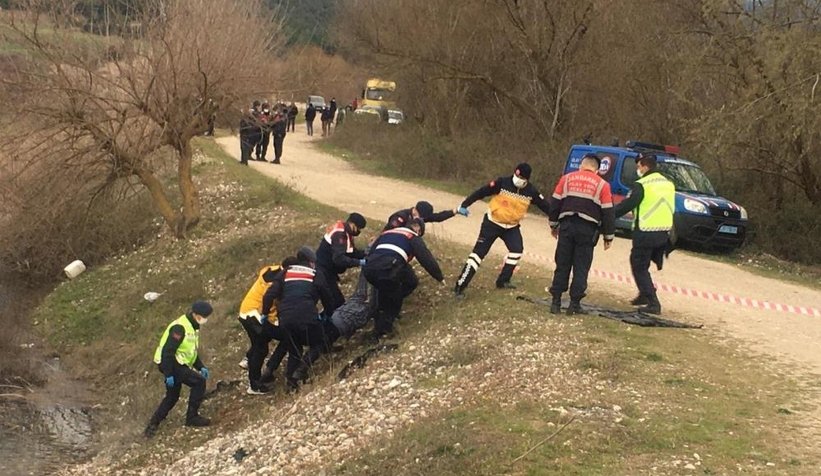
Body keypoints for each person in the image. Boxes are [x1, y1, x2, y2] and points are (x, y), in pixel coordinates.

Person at [453, 163, 551, 297]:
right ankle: (460, 286)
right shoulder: (502, 183)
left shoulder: (531, 191)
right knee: (478, 255)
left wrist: (559, 220)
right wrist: (464, 205)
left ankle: (503, 281)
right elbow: (481, 192)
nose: (518, 178)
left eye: (522, 177)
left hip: (511, 226)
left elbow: (546, 207)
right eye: (517, 175)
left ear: (527, 179)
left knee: (516, 250)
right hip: (492, 223)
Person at [547, 154, 616, 315]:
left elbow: (555, 202)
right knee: (581, 267)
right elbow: (608, 212)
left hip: (567, 226)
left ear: (581, 166)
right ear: (597, 170)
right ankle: (574, 304)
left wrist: (553, 224)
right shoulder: (602, 185)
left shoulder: (566, 179)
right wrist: (608, 236)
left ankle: (555, 302)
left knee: (562, 264)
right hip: (587, 229)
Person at [262, 246, 334, 390]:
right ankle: (302, 369)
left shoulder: (286, 272)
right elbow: (327, 296)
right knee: (319, 343)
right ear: (310, 262)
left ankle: (291, 383)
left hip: (286, 318)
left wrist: (265, 313)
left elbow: (269, 295)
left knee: (294, 348)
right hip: (307, 315)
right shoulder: (315, 273)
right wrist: (327, 313)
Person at [613, 154, 675, 315]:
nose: (637, 170)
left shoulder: (642, 184)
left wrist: (607, 214)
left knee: (638, 265)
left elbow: (628, 205)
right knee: (644, 264)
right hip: (663, 232)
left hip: (646, 230)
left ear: (645, 167)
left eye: (639, 166)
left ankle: (653, 303)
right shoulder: (667, 183)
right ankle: (644, 294)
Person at [364, 219, 444, 341]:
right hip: (389, 268)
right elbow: (426, 258)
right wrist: (439, 277)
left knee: (408, 282)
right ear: (417, 228)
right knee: (394, 296)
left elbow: (372, 251)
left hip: (370, 268)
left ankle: (379, 318)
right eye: (420, 232)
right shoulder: (412, 237)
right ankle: (383, 330)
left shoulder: (388, 232)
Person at [144, 301, 214, 438]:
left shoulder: (193, 327)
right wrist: (169, 374)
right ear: (195, 314)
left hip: (176, 363)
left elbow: (190, 352)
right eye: (204, 316)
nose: (206, 319)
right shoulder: (180, 328)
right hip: (169, 363)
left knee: (172, 396)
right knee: (198, 382)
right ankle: (192, 418)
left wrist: (201, 366)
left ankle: (152, 426)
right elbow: (167, 352)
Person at [236, 261, 287, 394]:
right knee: (261, 348)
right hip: (254, 316)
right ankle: (254, 385)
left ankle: (248, 359)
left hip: (245, 311)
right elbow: (271, 303)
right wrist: (275, 320)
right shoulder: (276, 283)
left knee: (260, 341)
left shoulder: (271, 270)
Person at [315, 212, 367, 315]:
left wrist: (365, 254)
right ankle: (327, 327)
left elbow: (351, 252)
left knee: (333, 303)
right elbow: (339, 259)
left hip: (327, 271)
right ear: (353, 225)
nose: (359, 232)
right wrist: (359, 262)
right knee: (336, 303)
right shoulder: (340, 234)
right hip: (322, 271)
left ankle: (326, 323)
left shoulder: (345, 231)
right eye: (359, 229)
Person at [385, 200, 456, 231]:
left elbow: (438, 217)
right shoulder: (401, 217)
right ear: (415, 210)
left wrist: (454, 211)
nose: (421, 219)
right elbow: (387, 232)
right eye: (420, 216)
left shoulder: (420, 217)